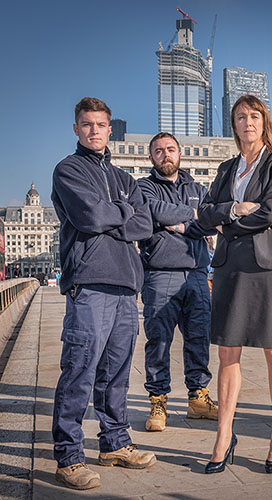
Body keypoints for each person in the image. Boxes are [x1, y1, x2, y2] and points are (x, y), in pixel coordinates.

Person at [51, 97, 156, 490]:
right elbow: (90, 217)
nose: (94, 130)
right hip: (90, 283)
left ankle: (114, 443)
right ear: (76, 129)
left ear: (111, 129)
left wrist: (119, 212)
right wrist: (123, 212)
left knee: (116, 373)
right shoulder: (68, 170)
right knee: (79, 369)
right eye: (87, 124)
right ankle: (69, 456)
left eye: (101, 124)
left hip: (127, 287)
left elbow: (144, 224)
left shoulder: (126, 179)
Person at [198, 95, 272, 474]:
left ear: (264, 122)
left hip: (265, 266)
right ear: (234, 124)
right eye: (240, 117)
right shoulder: (226, 169)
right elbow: (206, 213)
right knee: (228, 353)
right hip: (228, 266)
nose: (247, 122)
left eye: (254, 116)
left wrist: (230, 224)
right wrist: (233, 210)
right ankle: (224, 433)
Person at [138, 132, 218, 431]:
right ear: (151, 158)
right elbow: (154, 211)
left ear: (180, 154)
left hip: (197, 273)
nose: (165, 155)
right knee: (159, 340)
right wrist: (192, 217)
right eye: (159, 151)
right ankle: (158, 401)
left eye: (170, 150)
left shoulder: (197, 187)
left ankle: (198, 397)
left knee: (199, 338)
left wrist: (182, 225)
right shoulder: (143, 187)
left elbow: (208, 222)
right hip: (160, 274)